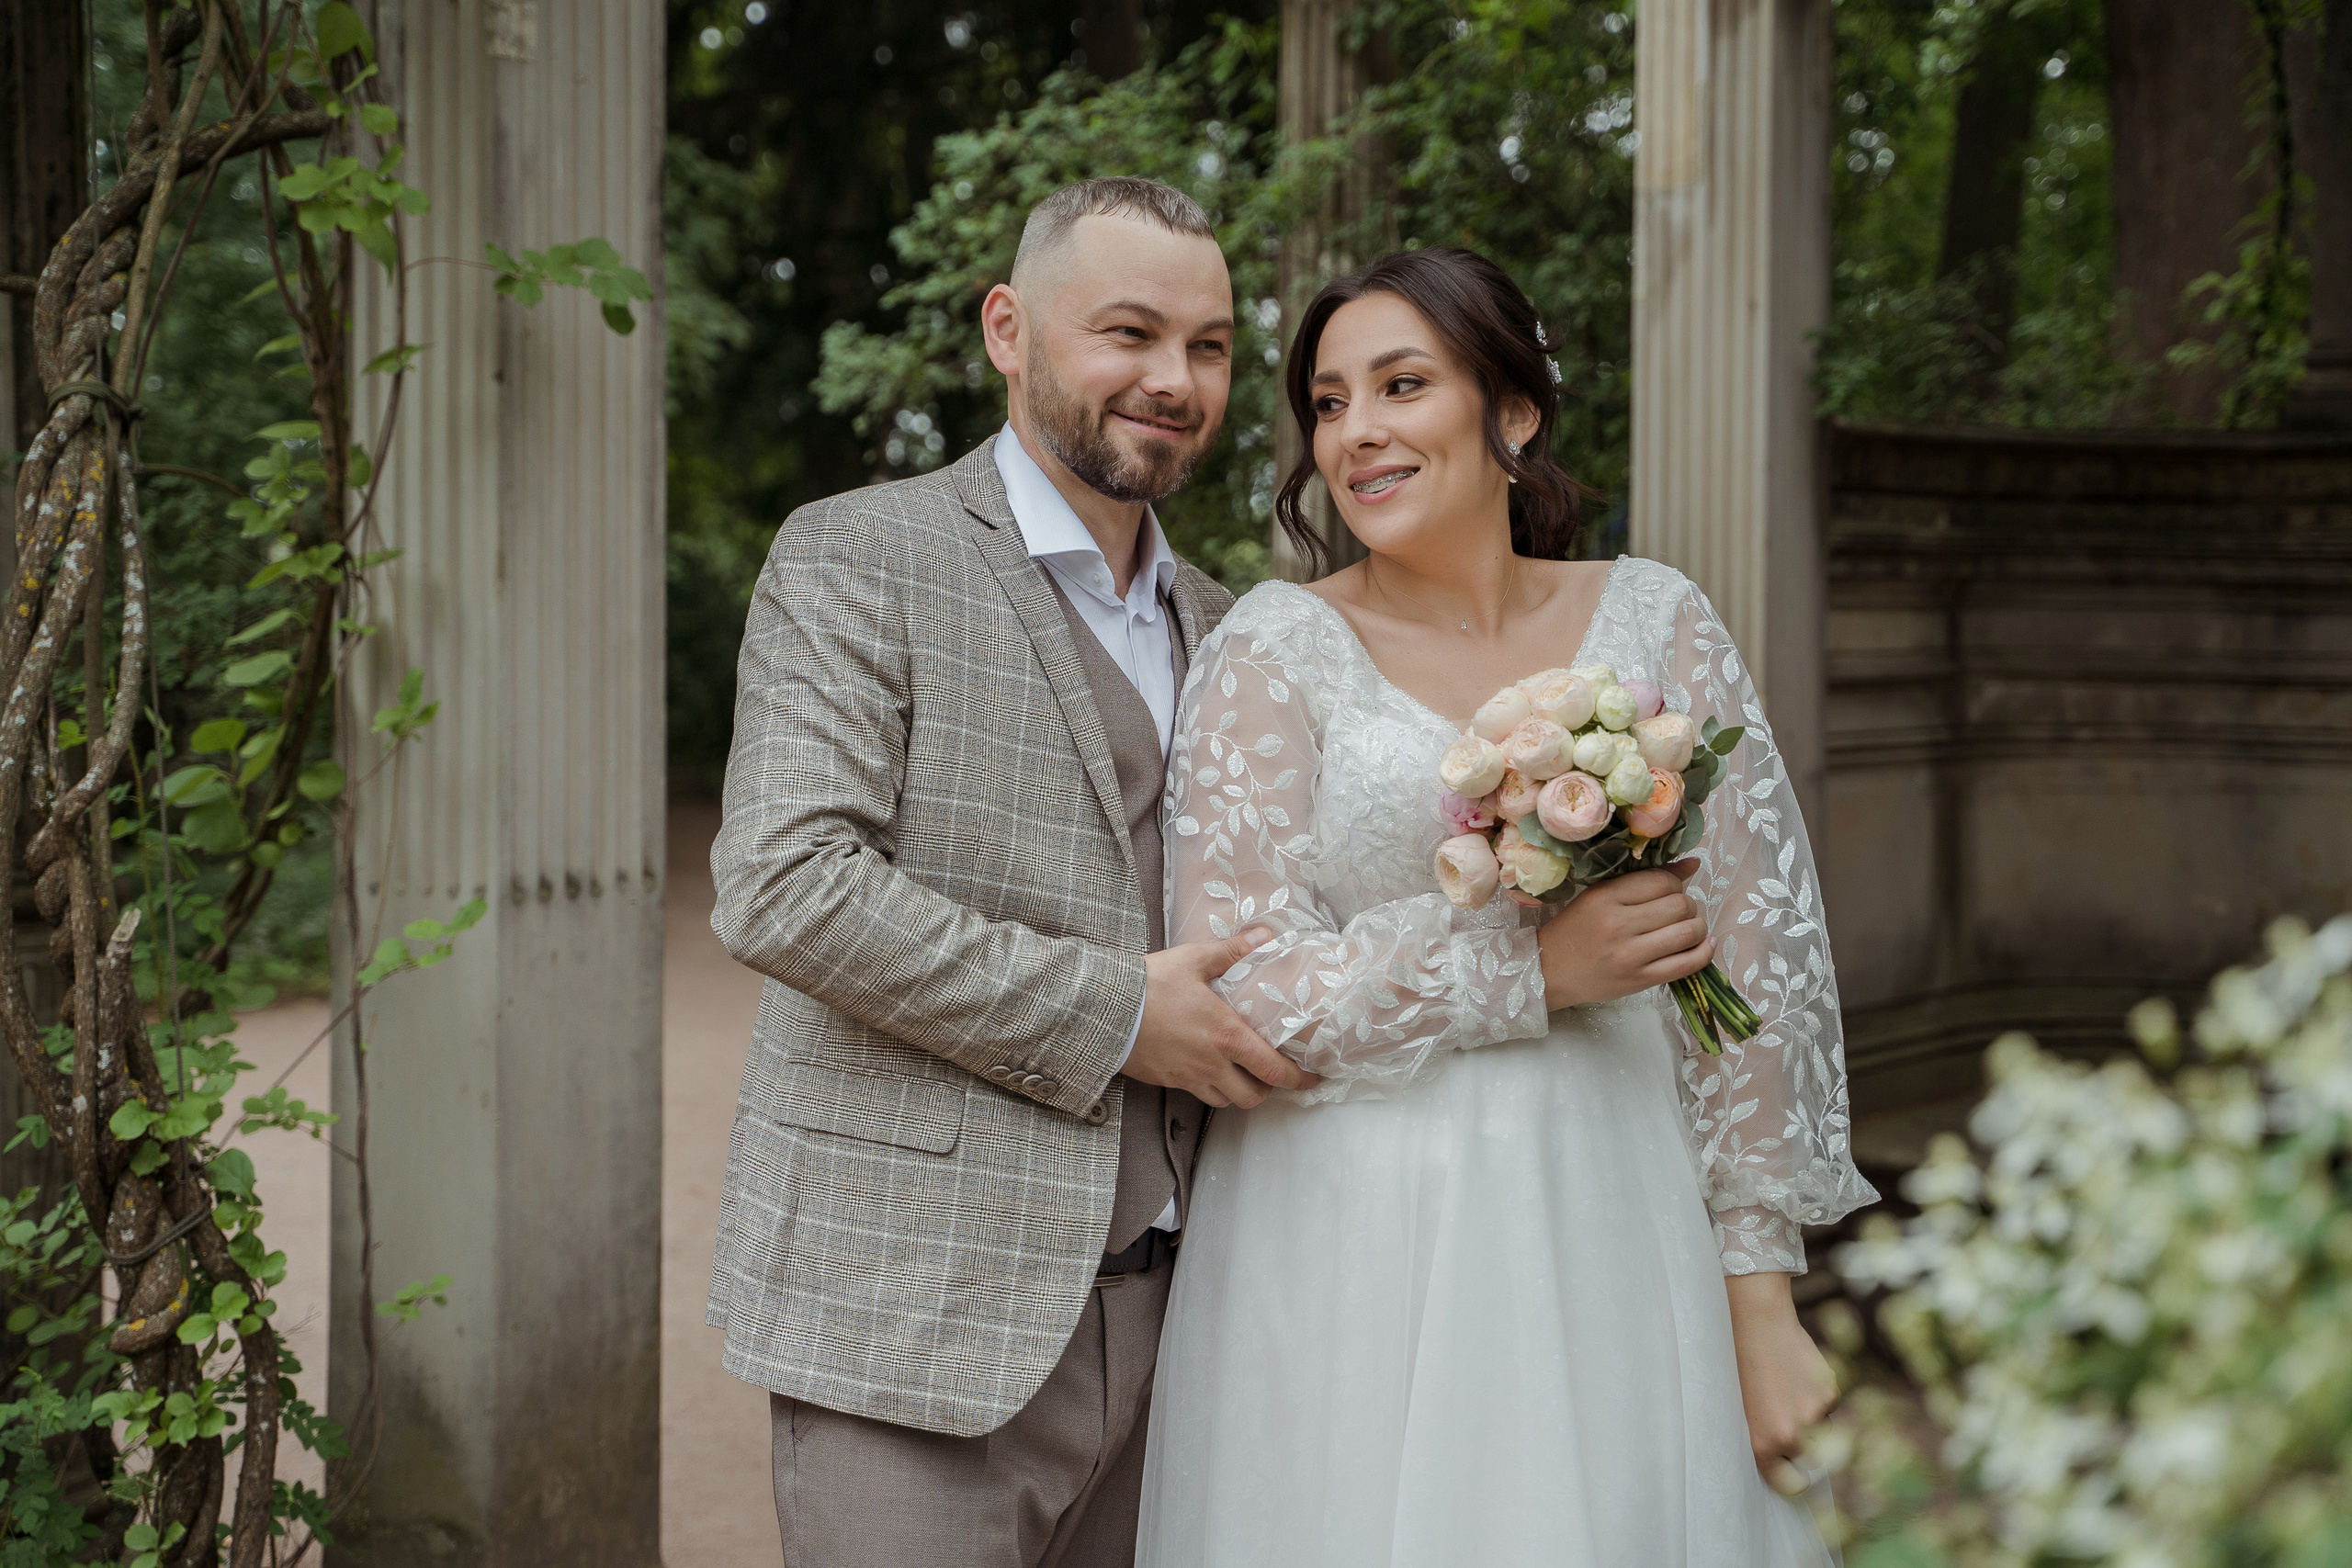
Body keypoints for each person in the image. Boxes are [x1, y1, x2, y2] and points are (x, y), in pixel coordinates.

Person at [1136, 246, 1880, 1566]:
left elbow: (1755, 978)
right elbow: (1240, 987)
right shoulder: (1272, 645)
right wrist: (1532, 967)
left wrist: (1761, 1303)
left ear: (1513, 413)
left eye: (1402, 385)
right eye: (1326, 401)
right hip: (1344, 1228)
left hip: (1607, 1205)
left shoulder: (1658, 621)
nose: (1355, 431)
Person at [705, 175, 1314, 1568]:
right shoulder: (861, 554)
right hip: (914, 1324)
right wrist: (1116, 1015)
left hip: (1183, 1332)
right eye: (1130, 333)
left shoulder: (1232, 627)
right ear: (1008, 330)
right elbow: (785, 883)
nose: (1174, 380)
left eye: (1210, 348)